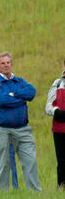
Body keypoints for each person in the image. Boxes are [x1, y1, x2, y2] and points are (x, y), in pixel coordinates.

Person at [0, 51, 42, 191]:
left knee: (30, 160)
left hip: (23, 129)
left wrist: (14, 94)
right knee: (4, 163)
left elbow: (32, 92)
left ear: (12, 64)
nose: (6, 66)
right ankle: (1, 194)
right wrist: (20, 99)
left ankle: (35, 193)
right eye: (2, 63)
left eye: (8, 63)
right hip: (3, 130)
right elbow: (2, 100)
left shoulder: (20, 81)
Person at [45, 58, 65, 189]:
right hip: (59, 130)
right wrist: (56, 111)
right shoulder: (57, 83)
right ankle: (62, 189)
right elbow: (48, 107)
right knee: (62, 162)